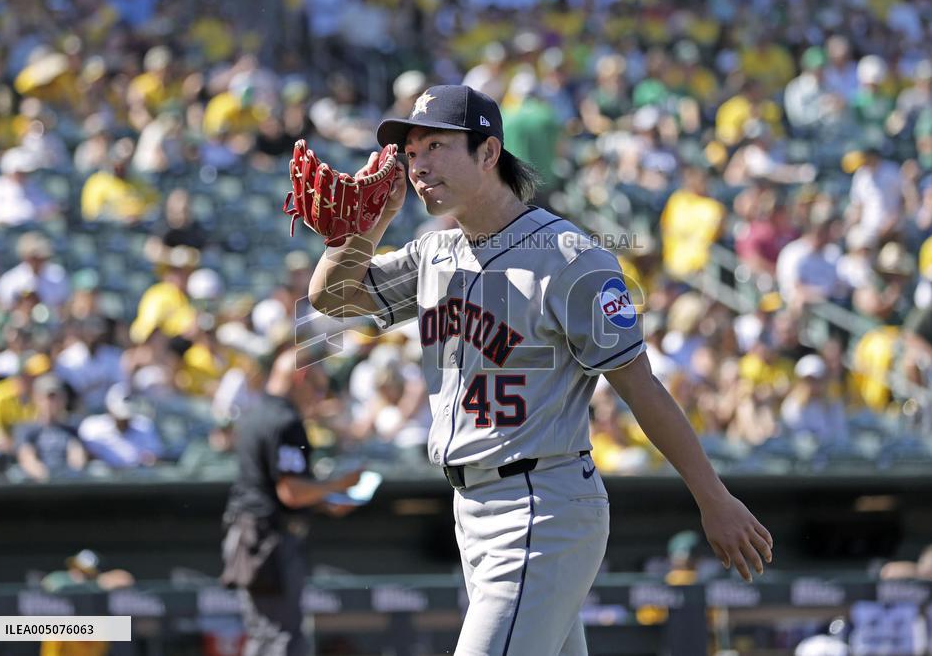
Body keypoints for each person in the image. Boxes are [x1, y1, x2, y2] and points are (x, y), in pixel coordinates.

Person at [306, 84, 773, 655]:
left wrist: (713, 497)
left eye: (435, 146)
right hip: (472, 511)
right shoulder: (434, 253)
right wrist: (365, 227)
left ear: (488, 153)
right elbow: (331, 300)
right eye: (410, 152)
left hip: (541, 504)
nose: (417, 165)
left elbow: (640, 385)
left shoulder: (570, 258)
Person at [221, 347, 362, 656]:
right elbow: (290, 491)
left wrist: (324, 502)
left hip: (251, 535)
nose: (320, 397)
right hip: (267, 540)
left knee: (265, 635)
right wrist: (339, 484)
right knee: (281, 638)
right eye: (319, 387)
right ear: (300, 378)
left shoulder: (255, 413)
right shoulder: (285, 421)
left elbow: (275, 488)